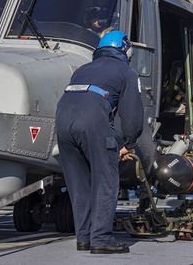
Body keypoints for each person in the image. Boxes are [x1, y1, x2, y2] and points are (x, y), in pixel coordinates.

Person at [55, 30, 143, 254]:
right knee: (106, 180)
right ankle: (101, 239)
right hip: (92, 117)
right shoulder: (127, 72)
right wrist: (129, 143)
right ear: (124, 49)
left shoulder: (83, 69)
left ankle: (83, 238)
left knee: (78, 184)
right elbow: (131, 114)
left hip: (63, 118)